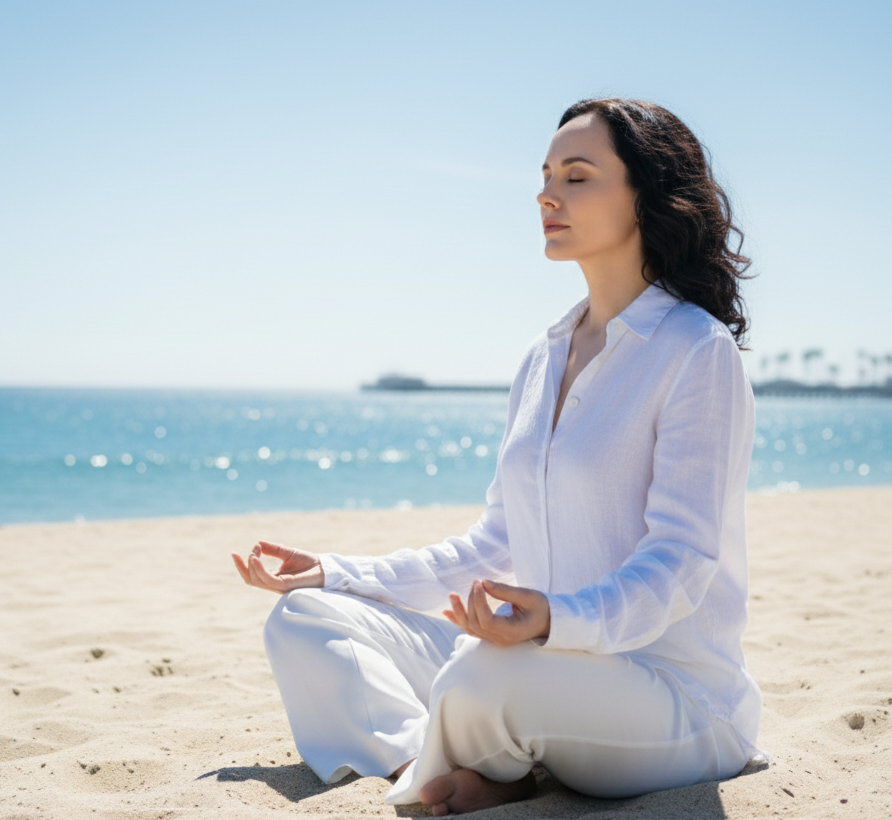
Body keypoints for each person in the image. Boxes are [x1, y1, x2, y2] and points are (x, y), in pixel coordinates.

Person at [232, 98, 762, 816]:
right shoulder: (542, 357)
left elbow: (682, 561)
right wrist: (335, 573)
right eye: (545, 175)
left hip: (672, 698)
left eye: (577, 176)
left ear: (647, 196)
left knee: (488, 677)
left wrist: (553, 620)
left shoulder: (696, 351)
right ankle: (440, 763)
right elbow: (493, 545)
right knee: (306, 619)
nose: (547, 194)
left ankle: (473, 761)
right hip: (537, 664)